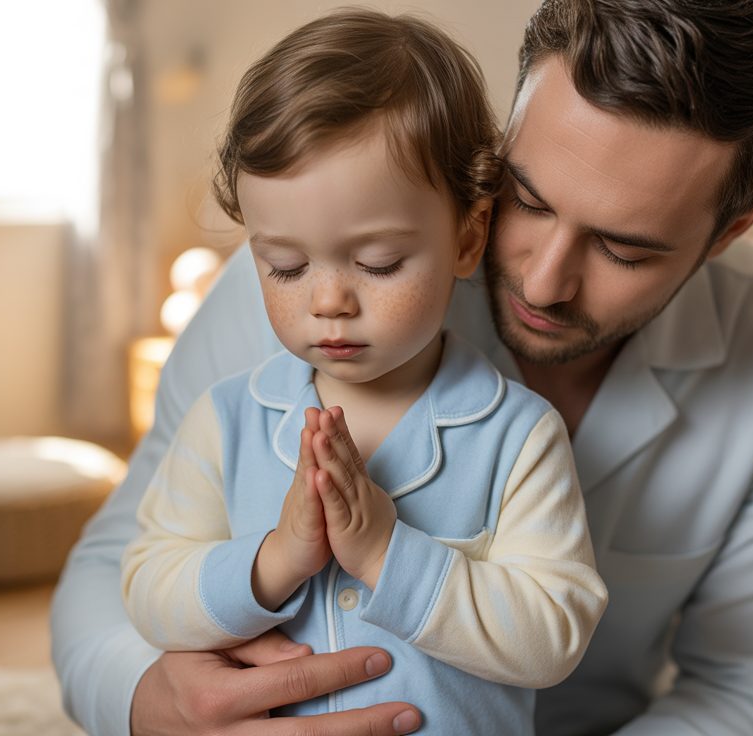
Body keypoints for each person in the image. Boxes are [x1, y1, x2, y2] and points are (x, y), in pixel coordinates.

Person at [51, 0, 753, 734]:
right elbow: (114, 569)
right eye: (528, 199)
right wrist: (148, 703)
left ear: (733, 229)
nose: (544, 280)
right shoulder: (306, 279)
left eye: (624, 248)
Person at [118, 9, 607, 735]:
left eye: (377, 263)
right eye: (284, 265)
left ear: (468, 238)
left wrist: (385, 550)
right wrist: (274, 561)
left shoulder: (518, 436)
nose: (327, 301)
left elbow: (554, 632)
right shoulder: (226, 422)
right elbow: (148, 587)